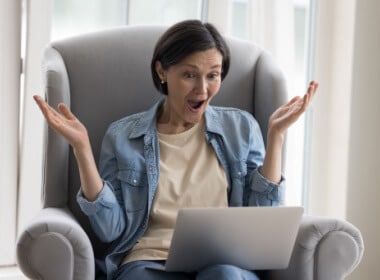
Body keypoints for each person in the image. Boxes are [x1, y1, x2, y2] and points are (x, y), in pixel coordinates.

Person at [34, 19, 318, 280]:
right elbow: (111, 230)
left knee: (226, 276)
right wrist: (82, 149)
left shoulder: (242, 128)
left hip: (223, 264)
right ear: (162, 72)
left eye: (213, 75)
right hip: (147, 262)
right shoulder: (122, 136)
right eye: (190, 75)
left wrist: (276, 137)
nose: (203, 90)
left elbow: (262, 220)